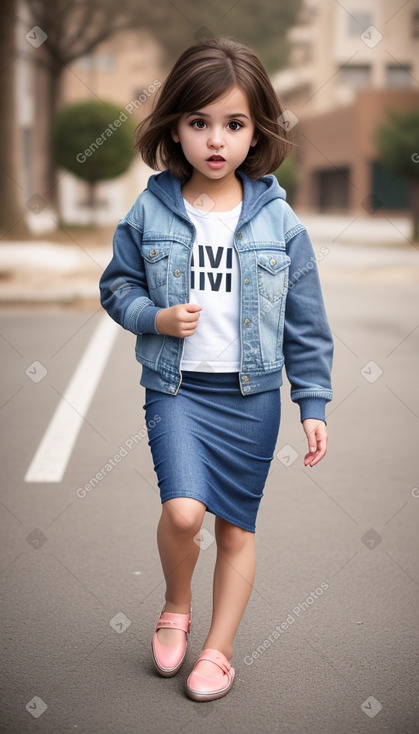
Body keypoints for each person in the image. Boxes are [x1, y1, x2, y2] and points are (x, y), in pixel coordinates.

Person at [99, 35, 333, 702]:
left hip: (250, 396)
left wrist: (311, 404)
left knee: (234, 526)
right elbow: (117, 288)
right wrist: (154, 317)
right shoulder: (150, 211)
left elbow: (306, 324)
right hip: (176, 389)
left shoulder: (280, 223)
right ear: (174, 125)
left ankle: (217, 652)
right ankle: (176, 603)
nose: (214, 140)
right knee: (181, 513)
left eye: (233, 124)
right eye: (198, 121)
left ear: (256, 131)